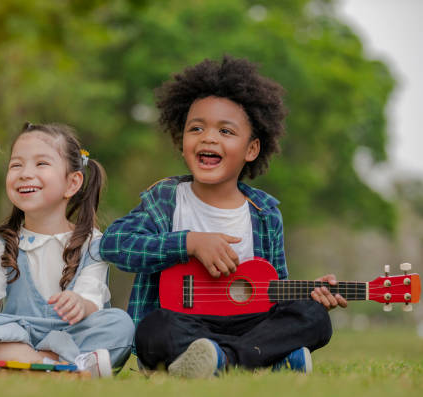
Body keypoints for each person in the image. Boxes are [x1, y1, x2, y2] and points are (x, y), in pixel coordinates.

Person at [99, 56, 347, 378]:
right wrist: (189, 242)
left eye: (226, 131)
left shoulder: (265, 214)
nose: (209, 138)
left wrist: (309, 293)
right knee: (154, 327)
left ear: (252, 149)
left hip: (248, 327)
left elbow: (273, 288)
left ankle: (224, 360)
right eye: (196, 128)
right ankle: (263, 361)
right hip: (182, 322)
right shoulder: (165, 200)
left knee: (313, 316)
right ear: (181, 139)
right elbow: (115, 244)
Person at [0, 122, 134, 377]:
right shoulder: (2, 244)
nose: (24, 173)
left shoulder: (93, 242)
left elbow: (92, 295)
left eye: (41, 164)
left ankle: (22, 364)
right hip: (18, 334)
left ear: (72, 183)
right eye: (16, 165)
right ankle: (62, 366)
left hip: (72, 333)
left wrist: (80, 304)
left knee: (120, 324)